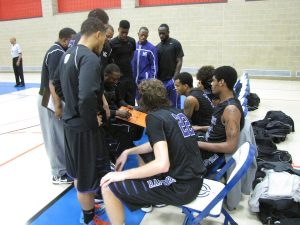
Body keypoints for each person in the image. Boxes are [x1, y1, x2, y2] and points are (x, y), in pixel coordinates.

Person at [101, 79, 206, 225]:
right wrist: (128, 152)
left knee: (108, 186)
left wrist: (121, 175)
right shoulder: (176, 112)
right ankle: (148, 198)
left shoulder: (153, 118)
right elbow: (156, 145)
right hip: (195, 178)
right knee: (142, 153)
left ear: (142, 100)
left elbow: (162, 165)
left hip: (181, 187)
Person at [60, 17, 110, 225]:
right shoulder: (89, 58)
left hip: (70, 124)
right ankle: (89, 218)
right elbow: (87, 95)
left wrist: (71, 107)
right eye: (105, 38)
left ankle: (88, 206)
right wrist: (92, 121)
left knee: (78, 173)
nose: (105, 43)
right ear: (97, 34)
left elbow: (57, 84)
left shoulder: (69, 53)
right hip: (84, 128)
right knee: (86, 177)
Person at [38, 27, 76, 184]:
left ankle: (63, 167)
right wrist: (58, 105)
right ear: (65, 40)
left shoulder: (59, 51)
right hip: (50, 99)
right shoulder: (57, 52)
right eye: (72, 41)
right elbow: (52, 82)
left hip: (53, 99)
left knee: (60, 135)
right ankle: (58, 173)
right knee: (54, 136)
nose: (73, 44)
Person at [197, 66, 245, 172]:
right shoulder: (223, 102)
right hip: (206, 143)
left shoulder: (231, 110)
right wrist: (198, 127)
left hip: (211, 156)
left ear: (221, 82)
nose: (211, 84)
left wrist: (196, 144)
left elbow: (230, 146)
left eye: (213, 80)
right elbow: (219, 127)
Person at [156, 24, 184, 108]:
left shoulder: (175, 44)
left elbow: (179, 61)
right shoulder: (157, 47)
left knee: (175, 104)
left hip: (173, 80)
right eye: (160, 33)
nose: (161, 35)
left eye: (163, 33)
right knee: (163, 104)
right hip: (161, 81)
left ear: (168, 32)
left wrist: (174, 78)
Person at [110, 20, 136, 106]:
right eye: (122, 32)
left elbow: (132, 55)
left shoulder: (132, 41)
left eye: (126, 33)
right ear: (118, 29)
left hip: (129, 77)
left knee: (131, 102)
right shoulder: (112, 43)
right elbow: (111, 60)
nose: (124, 35)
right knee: (120, 103)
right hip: (118, 78)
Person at [131, 27, 158, 99]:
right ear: (138, 34)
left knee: (145, 101)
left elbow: (154, 66)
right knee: (137, 101)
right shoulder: (133, 47)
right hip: (134, 80)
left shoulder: (151, 48)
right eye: (142, 35)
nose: (143, 37)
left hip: (145, 81)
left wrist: (152, 81)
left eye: (145, 36)